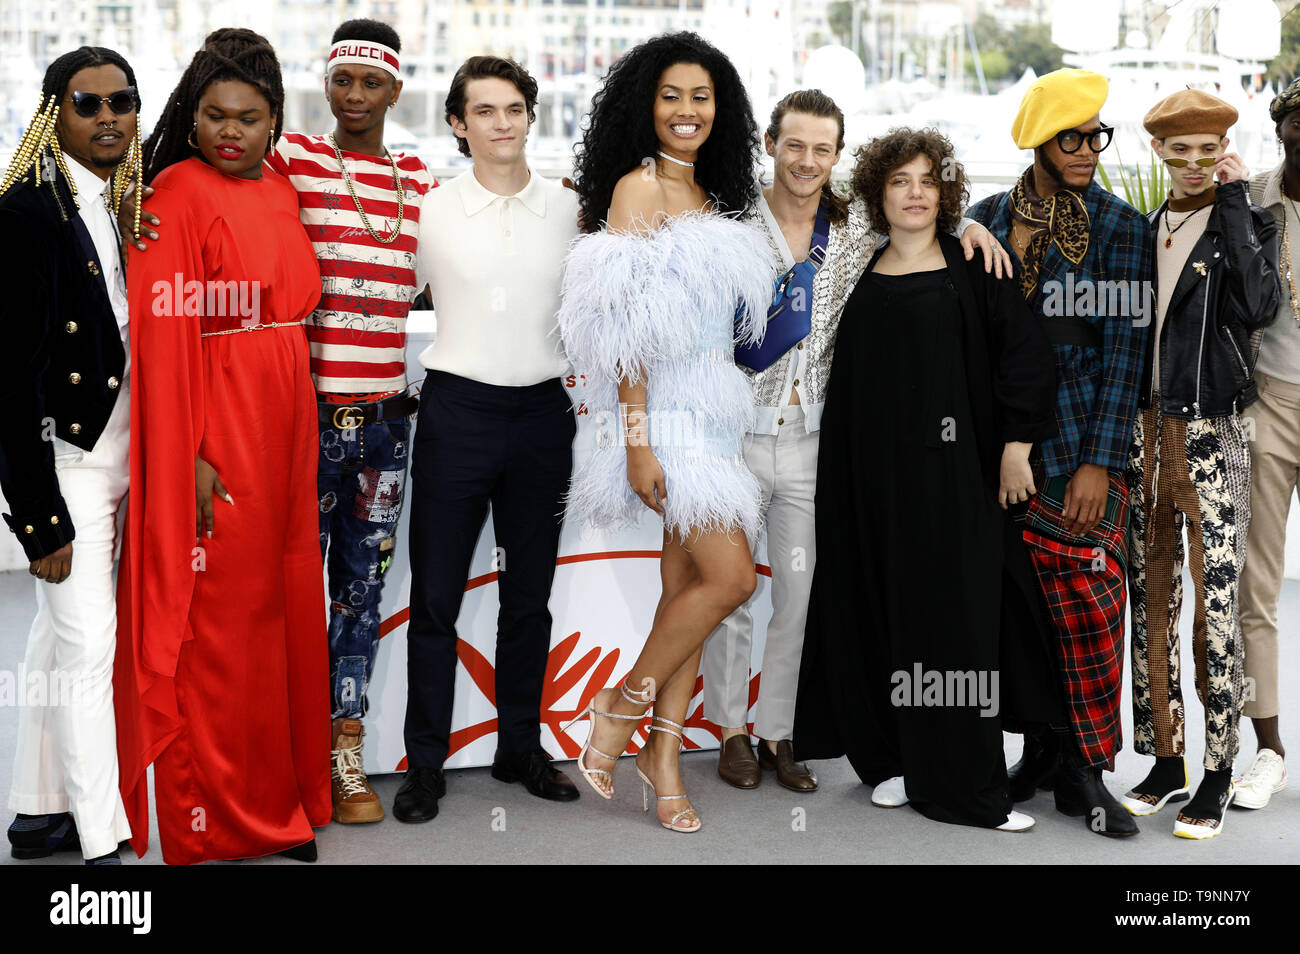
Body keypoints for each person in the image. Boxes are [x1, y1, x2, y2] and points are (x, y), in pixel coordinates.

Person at [702, 90, 1012, 792]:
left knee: (803, 593)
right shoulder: (727, 230)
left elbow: (917, 229)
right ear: (770, 144)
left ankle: (779, 732)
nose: (807, 160)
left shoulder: (852, 238)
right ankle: (730, 732)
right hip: (734, 438)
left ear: (838, 156)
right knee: (730, 591)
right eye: (794, 145)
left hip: (813, 444)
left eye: (822, 149)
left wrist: (971, 227)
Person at [792, 128, 1057, 831]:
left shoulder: (975, 266)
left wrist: (1015, 448)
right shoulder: (856, 267)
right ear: (879, 194)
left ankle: (969, 785)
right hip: (870, 484)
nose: (914, 193)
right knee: (880, 609)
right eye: (900, 181)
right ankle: (896, 762)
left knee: (959, 623)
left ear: (945, 194)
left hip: (959, 484)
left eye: (927, 182)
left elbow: (1025, 358)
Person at [113, 28, 330, 864]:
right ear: (190, 117)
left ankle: (284, 793)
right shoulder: (175, 190)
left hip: (284, 413)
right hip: (220, 422)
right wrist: (190, 456)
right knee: (224, 627)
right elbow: (165, 348)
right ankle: (224, 817)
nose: (229, 132)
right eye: (213, 116)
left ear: (275, 122)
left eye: (248, 117)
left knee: (278, 610)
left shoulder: (278, 186)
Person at [558, 32, 775, 833]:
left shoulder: (715, 197)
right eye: (672, 95)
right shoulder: (638, 191)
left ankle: (664, 760)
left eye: (703, 97)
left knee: (688, 590)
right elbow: (624, 334)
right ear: (646, 104)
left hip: (718, 413)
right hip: (669, 419)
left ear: (722, 110)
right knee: (733, 580)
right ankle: (617, 708)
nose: (688, 111)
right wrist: (639, 442)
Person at [968, 68, 1153, 838]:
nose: (1087, 151)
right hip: (1001, 447)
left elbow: (1127, 354)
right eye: (1070, 138)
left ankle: (1087, 767)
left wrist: (1098, 461)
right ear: (1038, 143)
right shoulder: (983, 219)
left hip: (1082, 440)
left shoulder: (1117, 225)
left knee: (1091, 606)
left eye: (1096, 136)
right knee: (1023, 612)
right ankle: (1041, 750)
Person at [396, 55, 581, 823]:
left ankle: (518, 749)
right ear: (458, 124)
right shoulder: (428, 211)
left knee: (528, 599)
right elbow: (380, 303)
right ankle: (426, 764)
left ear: (530, 118)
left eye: (515, 109)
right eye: (486, 111)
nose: (503, 123)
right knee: (435, 598)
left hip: (543, 415)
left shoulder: (571, 210)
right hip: (456, 414)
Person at [263, 18, 436, 825]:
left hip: (385, 425)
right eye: (344, 81)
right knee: (287, 587)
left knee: (359, 596)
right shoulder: (292, 158)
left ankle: (345, 752)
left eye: (372, 84)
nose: (357, 97)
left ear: (396, 91)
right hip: (304, 417)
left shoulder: (418, 177)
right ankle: (283, 754)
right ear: (326, 84)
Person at [1121, 90, 1279, 839]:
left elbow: (1259, 306)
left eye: (1205, 150)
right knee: (1149, 599)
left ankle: (1217, 771)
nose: (1191, 165)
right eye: (1177, 152)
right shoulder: (1147, 227)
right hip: (1146, 436)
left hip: (1214, 432)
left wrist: (1241, 204)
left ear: (1223, 148)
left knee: (1218, 607)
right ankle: (1163, 761)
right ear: (1158, 153)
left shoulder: (1245, 223)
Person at [0, 46, 143, 865]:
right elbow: (8, 387)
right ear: (56, 111)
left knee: (57, 640)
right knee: (90, 646)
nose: (107, 117)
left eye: (121, 101)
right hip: (70, 468)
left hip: (125, 457)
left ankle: (34, 810)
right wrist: (40, 521)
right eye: (87, 104)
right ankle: (101, 842)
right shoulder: (25, 215)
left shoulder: (116, 202)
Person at [1237, 78, 1300, 811]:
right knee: (1256, 588)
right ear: (1282, 128)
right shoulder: (1253, 200)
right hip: (1266, 403)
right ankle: (1268, 749)